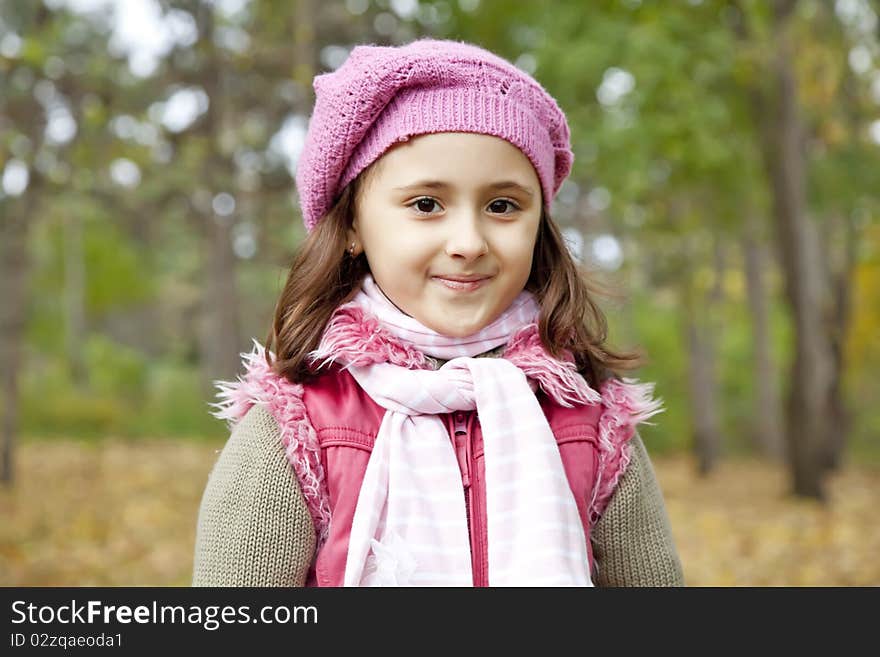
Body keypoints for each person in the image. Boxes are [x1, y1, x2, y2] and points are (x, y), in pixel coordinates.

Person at [192, 38, 684, 587]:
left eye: (503, 206)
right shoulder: (295, 430)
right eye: (426, 204)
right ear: (353, 225)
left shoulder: (591, 426)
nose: (469, 242)